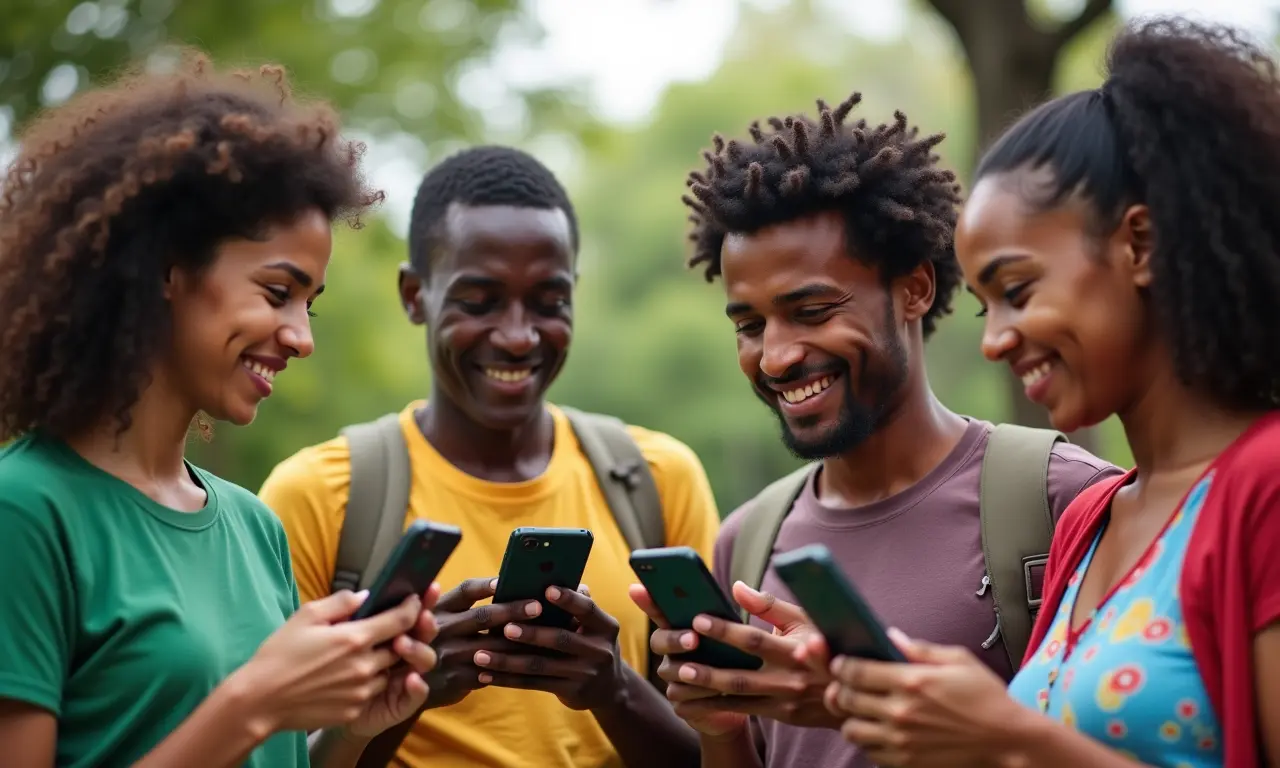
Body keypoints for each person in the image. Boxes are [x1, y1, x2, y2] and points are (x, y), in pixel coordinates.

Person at [824, 17, 1280, 768]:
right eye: (983, 305)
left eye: (1018, 289)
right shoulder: (1089, 522)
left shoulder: (1263, 488)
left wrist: (1008, 738)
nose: (996, 339)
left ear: (1141, 245)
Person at [628, 93, 1125, 768]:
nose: (775, 356)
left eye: (811, 309)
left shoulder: (1063, 502)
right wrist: (719, 729)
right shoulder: (746, 543)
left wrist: (853, 699)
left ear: (914, 290)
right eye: (749, 326)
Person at [0, 53, 440, 768]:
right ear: (166, 269)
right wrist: (256, 701)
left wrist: (357, 724)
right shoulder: (23, 512)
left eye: (310, 304)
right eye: (277, 293)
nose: (301, 337)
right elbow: (245, 717)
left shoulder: (253, 526)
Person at [259, 145, 721, 768]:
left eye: (549, 301)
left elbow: (728, 751)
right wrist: (406, 697)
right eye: (479, 300)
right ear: (415, 294)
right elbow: (271, 756)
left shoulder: (658, 479)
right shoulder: (318, 496)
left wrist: (613, 690)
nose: (517, 335)